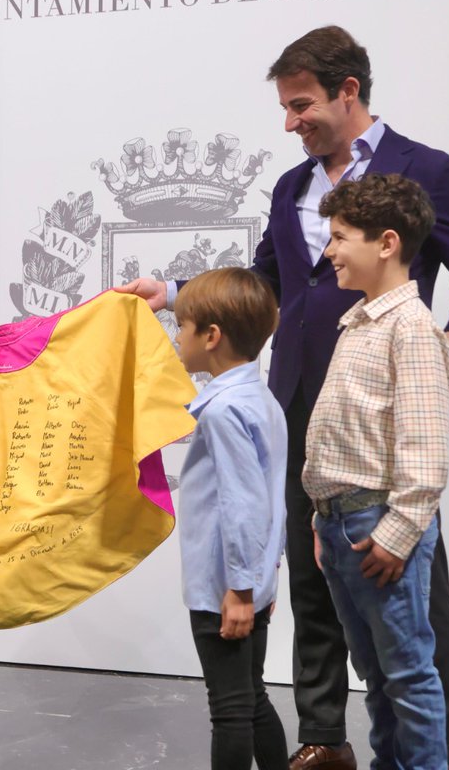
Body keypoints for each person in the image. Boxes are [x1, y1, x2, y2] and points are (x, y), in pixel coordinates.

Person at [116, 26, 449, 770]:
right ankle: (324, 738)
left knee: (411, 591)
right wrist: (171, 295)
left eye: (301, 106)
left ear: (348, 91)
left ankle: (435, 753)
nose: (290, 122)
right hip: (296, 401)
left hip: (381, 411)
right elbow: (264, 282)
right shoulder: (291, 187)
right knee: (311, 573)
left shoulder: (426, 169)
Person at [306, 172, 449, 769]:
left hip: (379, 526)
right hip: (343, 526)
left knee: (408, 675)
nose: (329, 251)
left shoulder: (413, 328)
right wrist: (326, 526)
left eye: (340, 237)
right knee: (376, 673)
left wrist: (397, 533)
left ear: (387, 243)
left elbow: (424, 448)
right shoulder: (360, 321)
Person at [173, 268, 289, 770]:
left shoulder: (223, 412)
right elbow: (270, 500)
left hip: (224, 588)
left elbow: (243, 504)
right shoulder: (262, 400)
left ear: (211, 337)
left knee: (231, 709)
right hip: (251, 584)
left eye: (182, 326)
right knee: (252, 696)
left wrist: (239, 590)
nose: (177, 336)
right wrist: (263, 581)